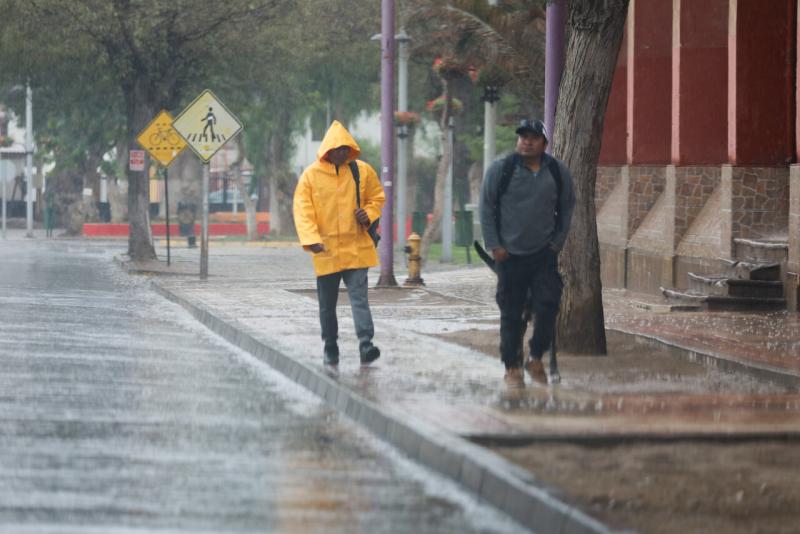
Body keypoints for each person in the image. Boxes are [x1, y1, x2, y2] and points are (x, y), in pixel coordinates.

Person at [479, 119, 575, 388]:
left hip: (543, 255)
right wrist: (494, 245)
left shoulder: (557, 171)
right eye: (523, 137)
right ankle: (512, 367)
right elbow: (486, 208)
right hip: (509, 256)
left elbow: (567, 207)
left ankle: (535, 357)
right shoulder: (502, 169)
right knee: (511, 314)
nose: (527, 142)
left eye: (533, 138)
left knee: (548, 306)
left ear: (544, 143)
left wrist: (557, 242)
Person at [293, 120, 385, 367]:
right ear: (327, 150)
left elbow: (377, 198)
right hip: (326, 251)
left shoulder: (362, 171)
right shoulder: (310, 176)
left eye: (346, 148)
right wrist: (311, 240)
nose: (342, 153)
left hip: (357, 248)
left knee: (359, 298)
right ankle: (330, 346)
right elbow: (303, 211)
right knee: (327, 304)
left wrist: (368, 214)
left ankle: (366, 343)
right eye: (338, 149)